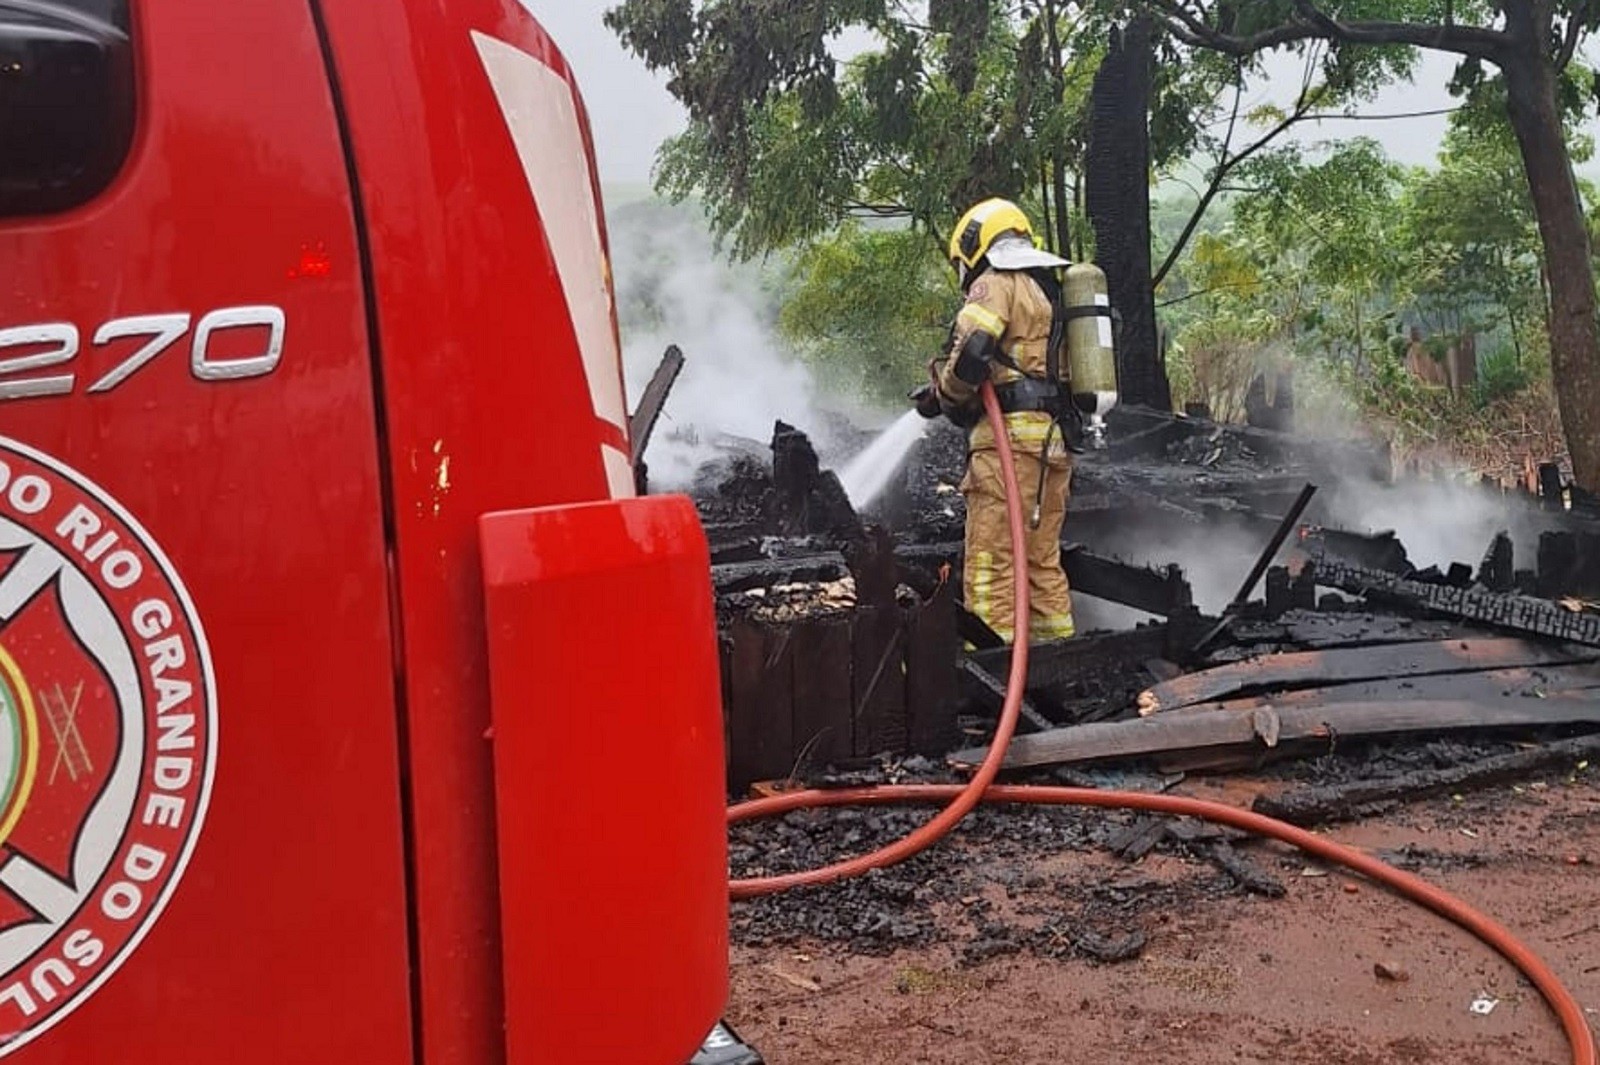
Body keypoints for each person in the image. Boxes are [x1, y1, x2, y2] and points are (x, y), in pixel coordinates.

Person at [915, 198, 1076, 644]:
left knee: (991, 564)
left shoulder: (996, 282)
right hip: (1053, 442)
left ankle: (994, 674)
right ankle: (1056, 663)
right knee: (1041, 560)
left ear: (974, 243)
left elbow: (972, 350)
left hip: (1007, 445)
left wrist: (945, 396)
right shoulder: (1052, 286)